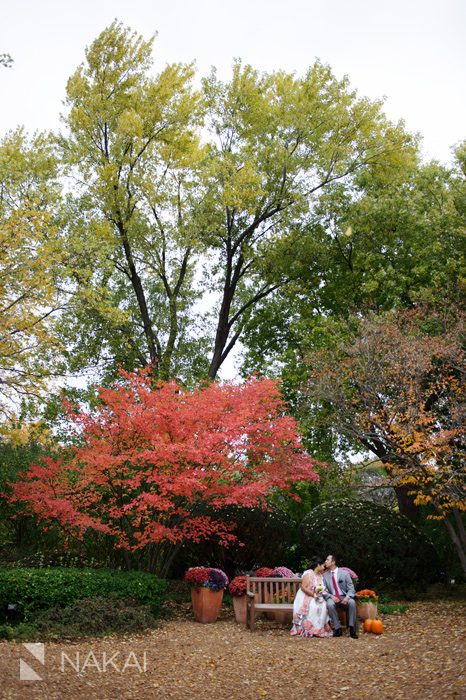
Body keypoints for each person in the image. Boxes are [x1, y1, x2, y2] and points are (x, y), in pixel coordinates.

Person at [290, 556, 333, 637]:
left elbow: (320, 588)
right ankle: (309, 628)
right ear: (318, 565)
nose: (324, 567)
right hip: (305, 596)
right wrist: (314, 595)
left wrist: (322, 592)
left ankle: (319, 628)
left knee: (324, 605)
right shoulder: (308, 573)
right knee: (313, 606)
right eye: (323, 565)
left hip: (316, 596)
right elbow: (303, 588)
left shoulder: (320, 575)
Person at [323, 554, 358, 639]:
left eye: (327, 560)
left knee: (352, 602)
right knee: (330, 604)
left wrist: (347, 597)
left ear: (333, 562)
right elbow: (323, 590)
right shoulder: (325, 575)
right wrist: (331, 596)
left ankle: (352, 628)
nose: (325, 562)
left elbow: (351, 588)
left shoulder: (344, 573)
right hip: (332, 597)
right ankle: (338, 628)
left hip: (344, 596)